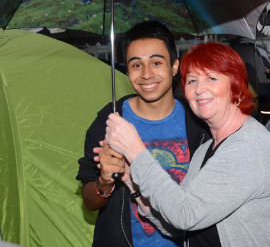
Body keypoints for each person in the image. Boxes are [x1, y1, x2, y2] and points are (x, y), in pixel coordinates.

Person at [105, 42, 270, 247]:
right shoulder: (205, 149)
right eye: (192, 81)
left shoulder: (248, 146)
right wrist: (131, 181)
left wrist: (135, 150)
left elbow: (185, 215)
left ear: (235, 85)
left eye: (212, 78)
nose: (199, 89)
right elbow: (176, 225)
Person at [76, 21, 210, 247]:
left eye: (156, 62)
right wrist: (104, 181)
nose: (147, 74)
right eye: (136, 65)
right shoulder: (110, 121)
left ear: (174, 66)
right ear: (127, 70)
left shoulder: (199, 121)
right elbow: (89, 202)